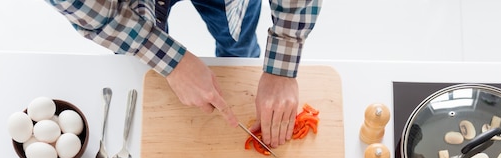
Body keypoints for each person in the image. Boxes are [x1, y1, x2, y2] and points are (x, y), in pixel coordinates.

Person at [44, 0, 322, 148]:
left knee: (238, 46)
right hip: (132, 7)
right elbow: (84, 6)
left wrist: (282, 67)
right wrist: (170, 62)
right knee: (148, 75)